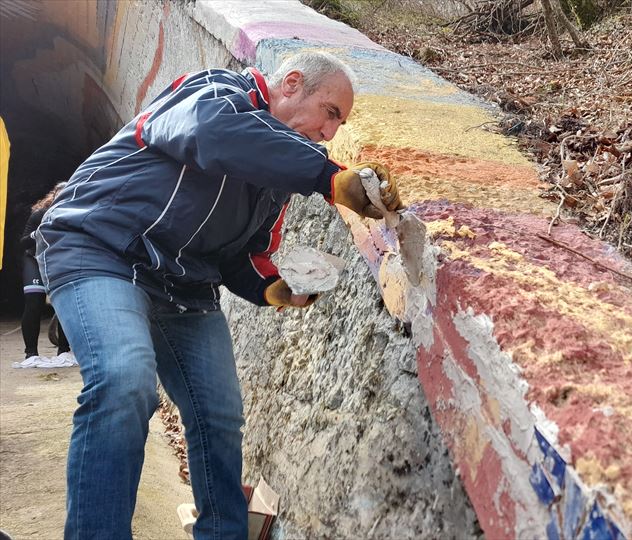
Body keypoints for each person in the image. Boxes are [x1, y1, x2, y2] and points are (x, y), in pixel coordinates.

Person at [36, 50, 402, 539]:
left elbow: (245, 256)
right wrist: (329, 177)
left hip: (183, 284)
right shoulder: (214, 91)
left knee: (219, 413)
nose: (330, 132)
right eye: (330, 112)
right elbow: (211, 134)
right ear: (292, 83)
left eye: (339, 123)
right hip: (102, 249)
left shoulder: (278, 178)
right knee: (124, 380)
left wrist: (275, 289)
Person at [17, 182, 72, 368]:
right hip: (34, 259)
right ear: (53, 197)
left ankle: (64, 351)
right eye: (60, 196)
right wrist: (37, 234)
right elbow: (23, 242)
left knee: (64, 304)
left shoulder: (75, 215)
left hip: (58, 262)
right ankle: (31, 354)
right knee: (34, 302)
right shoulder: (39, 214)